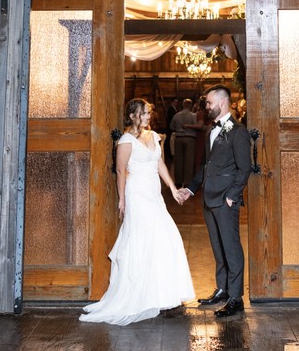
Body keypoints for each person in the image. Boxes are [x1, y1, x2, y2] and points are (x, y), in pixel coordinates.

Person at [80, 99, 194, 326]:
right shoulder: (126, 140)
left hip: (154, 195)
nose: (148, 116)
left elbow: (160, 164)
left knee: (164, 237)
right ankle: (138, 293)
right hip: (136, 195)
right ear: (133, 115)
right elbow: (121, 170)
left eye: (149, 113)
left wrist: (172, 189)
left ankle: (159, 292)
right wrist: (122, 199)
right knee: (141, 240)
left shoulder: (154, 136)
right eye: (144, 113)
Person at [178, 85, 252, 317]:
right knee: (218, 248)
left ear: (222, 103)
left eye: (209, 103)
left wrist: (232, 196)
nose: (206, 107)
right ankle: (222, 288)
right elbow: (205, 167)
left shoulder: (238, 132)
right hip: (209, 199)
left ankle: (235, 297)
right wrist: (191, 189)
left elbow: (245, 168)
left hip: (225, 200)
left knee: (231, 248)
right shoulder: (211, 130)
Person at [170, 98, 199, 186]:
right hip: (190, 138)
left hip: (178, 138)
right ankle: (187, 181)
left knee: (178, 161)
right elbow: (197, 126)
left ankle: (178, 181)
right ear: (190, 105)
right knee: (189, 161)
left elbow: (171, 127)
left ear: (183, 105)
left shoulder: (176, 115)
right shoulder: (193, 116)